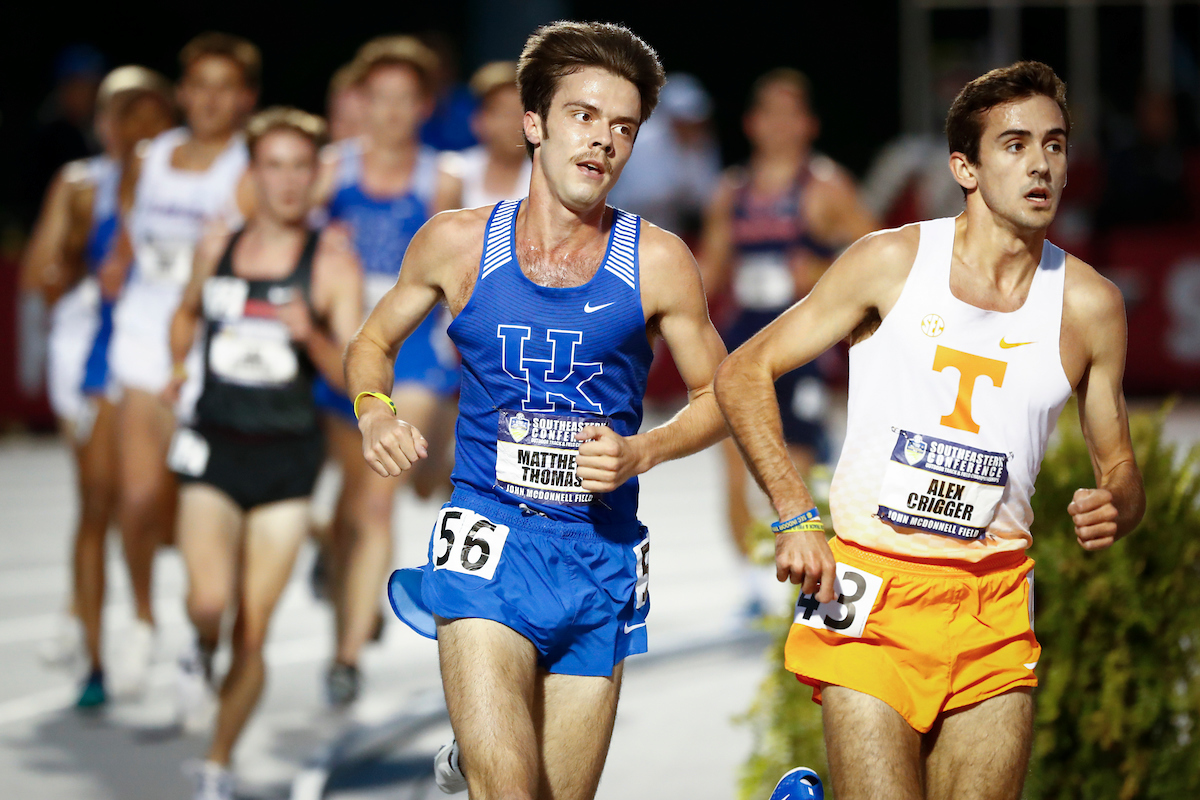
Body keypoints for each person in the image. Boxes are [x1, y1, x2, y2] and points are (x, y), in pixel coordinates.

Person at [714, 61, 1145, 800]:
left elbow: (1122, 472)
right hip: (867, 588)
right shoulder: (892, 262)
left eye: (1055, 143)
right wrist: (793, 511)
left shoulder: (1091, 306)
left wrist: (1117, 502)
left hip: (995, 602)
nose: (1040, 163)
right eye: (1013, 145)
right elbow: (742, 371)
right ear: (964, 168)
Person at [348, 21, 727, 800]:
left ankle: (476, 757)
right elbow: (372, 343)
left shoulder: (657, 261)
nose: (603, 142)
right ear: (534, 123)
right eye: (584, 116)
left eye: (623, 127)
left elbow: (720, 397)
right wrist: (376, 411)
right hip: (488, 538)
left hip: (600, 554)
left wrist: (641, 452)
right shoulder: (457, 244)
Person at [165, 108, 362, 799]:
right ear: (253, 173)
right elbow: (185, 312)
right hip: (215, 451)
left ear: (315, 178)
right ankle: (197, 646)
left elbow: (350, 373)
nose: (285, 181)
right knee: (209, 601)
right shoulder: (216, 244)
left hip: (286, 462)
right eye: (272, 166)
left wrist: (310, 335)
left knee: (253, 630)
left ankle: (217, 765)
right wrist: (177, 366)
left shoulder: (331, 261)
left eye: (299, 167)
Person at [99, 33, 257, 694]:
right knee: (135, 496)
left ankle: (204, 643)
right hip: (142, 336)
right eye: (201, 85)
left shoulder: (250, 169)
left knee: (205, 510)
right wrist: (114, 267)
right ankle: (138, 617)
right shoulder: (151, 157)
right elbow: (126, 245)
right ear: (183, 92)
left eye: (227, 87)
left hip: (217, 350)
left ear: (245, 100)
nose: (212, 99)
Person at [310, 35, 460, 706]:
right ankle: (348, 582)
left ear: (423, 106)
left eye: (406, 99)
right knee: (349, 505)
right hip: (345, 343)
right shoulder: (331, 169)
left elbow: (455, 269)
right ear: (360, 102)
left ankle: (344, 659)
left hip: (418, 349)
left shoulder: (441, 180)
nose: (392, 111)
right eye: (380, 98)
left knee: (379, 493)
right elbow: (285, 230)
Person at [22, 65, 174, 706]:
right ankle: (96, 658)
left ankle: (148, 621)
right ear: (101, 124)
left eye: (149, 117)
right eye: (122, 115)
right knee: (98, 502)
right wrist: (80, 260)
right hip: (101, 359)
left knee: (158, 512)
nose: (135, 130)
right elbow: (39, 274)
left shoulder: (188, 182)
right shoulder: (82, 186)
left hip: (176, 360)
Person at [700, 68, 876, 618]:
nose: (779, 126)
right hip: (743, 340)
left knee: (791, 466)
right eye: (768, 114)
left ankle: (797, 576)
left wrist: (820, 267)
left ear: (809, 124)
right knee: (733, 460)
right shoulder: (732, 191)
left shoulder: (827, 187)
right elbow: (707, 271)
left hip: (802, 345)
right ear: (752, 124)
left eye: (790, 114)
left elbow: (880, 260)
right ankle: (750, 585)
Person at [441, 60, 532, 210]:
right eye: (504, 113)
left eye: (521, 112)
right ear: (478, 121)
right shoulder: (455, 172)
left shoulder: (548, 178)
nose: (514, 124)